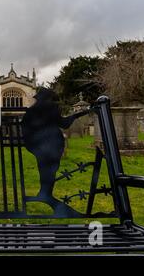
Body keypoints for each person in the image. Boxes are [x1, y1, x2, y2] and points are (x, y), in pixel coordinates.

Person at [21, 87, 85, 215]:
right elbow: (64, 124)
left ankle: (44, 193)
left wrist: (31, 145)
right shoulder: (52, 108)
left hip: (38, 145)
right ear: (48, 98)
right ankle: (46, 194)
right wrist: (77, 115)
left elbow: (24, 127)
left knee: (43, 167)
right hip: (53, 144)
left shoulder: (31, 111)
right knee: (51, 169)